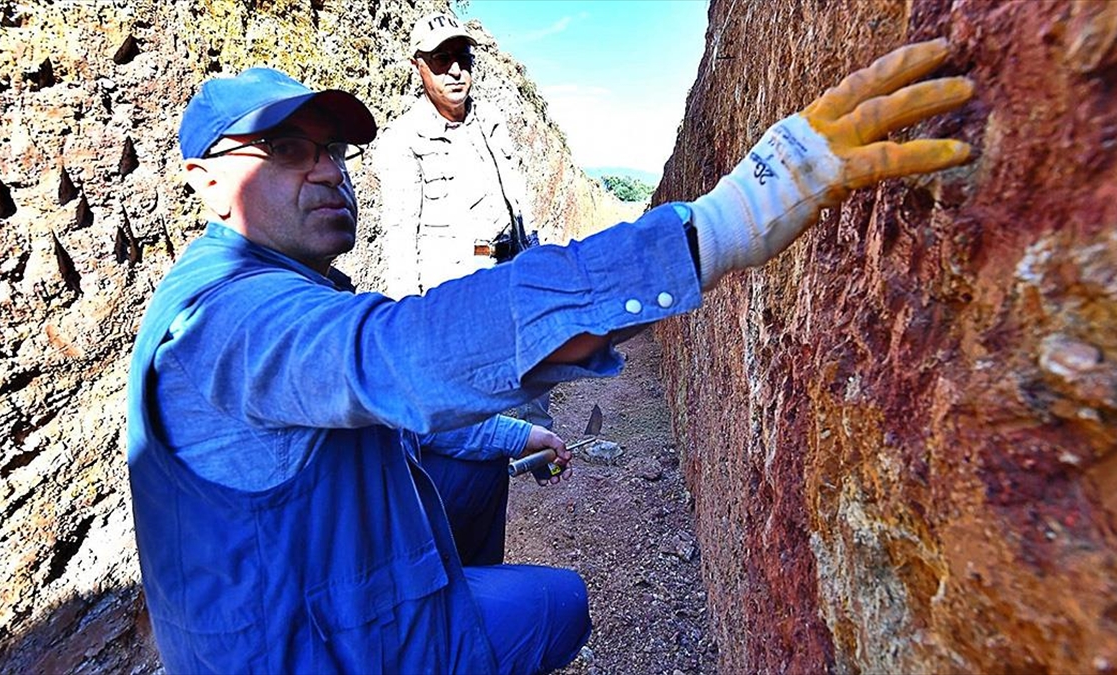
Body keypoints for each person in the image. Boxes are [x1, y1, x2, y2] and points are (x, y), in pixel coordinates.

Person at [127, 38, 975, 674]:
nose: (326, 172)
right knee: (560, 603)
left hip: (312, 600)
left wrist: (516, 435)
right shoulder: (225, 320)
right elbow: (398, 355)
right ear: (205, 179)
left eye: (332, 151)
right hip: (302, 647)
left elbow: (382, 408)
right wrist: (725, 225)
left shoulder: (255, 288)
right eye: (286, 150)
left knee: (470, 473)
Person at [374, 11, 554, 431]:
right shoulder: (404, 140)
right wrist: (408, 317)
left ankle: (539, 449)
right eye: (441, 59)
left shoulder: (491, 121)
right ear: (419, 66)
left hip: (513, 267)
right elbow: (400, 233)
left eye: (463, 58)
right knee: (476, 399)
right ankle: (491, 455)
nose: (455, 70)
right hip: (458, 287)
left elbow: (516, 199)